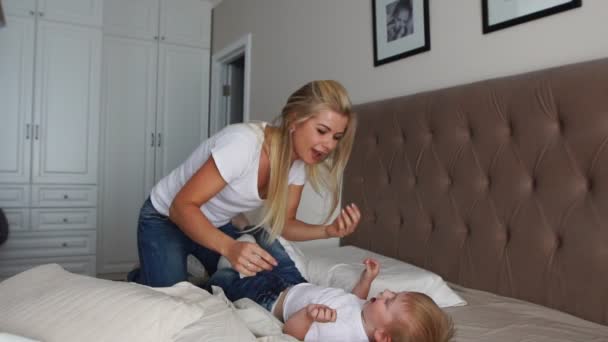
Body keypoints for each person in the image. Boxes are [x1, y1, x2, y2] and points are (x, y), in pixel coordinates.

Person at [127, 80, 361, 287]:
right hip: (166, 218)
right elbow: (181, 207)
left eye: (336, 137)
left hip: (214, 223)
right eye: (322, 131)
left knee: (253, 276)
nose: (329, 145)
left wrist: (327, 231)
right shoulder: (242, 144)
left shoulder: (298, 163)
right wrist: (229, 248)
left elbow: (285, 224)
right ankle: (142, 276)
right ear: (294, 120)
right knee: (172, 304)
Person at [209, 233, 454, 342]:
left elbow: (292, 334)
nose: (387, 292)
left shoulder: (342, 335)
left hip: (270, 298)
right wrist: (366, 279)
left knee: (224, 280)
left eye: (390, 301)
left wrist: (307, 315)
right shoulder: (369, 315)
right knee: (269, 236)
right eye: (395, 293)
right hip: (295, 282)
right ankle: (253, 234)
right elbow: (352, 300)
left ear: (382, 336)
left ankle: (227, 263)